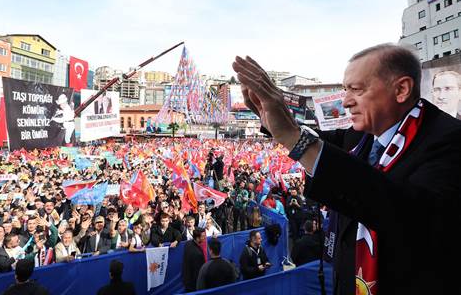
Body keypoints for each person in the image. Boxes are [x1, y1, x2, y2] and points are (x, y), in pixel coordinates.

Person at [232, 44, 461, 294]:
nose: (346, 101)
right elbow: (321, 144)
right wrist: (272, 120)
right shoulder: (360, 136)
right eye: (345, 89)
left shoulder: (449, 140)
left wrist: (293, 137)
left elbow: (402, 209)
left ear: (401, 89)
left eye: (357, 89)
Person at [181, 227, 206, 292]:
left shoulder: (188, 244)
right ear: (197, 238)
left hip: (187, 280)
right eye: (203, 236)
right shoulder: (198, 254)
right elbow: (198, 272)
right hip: (194, 284)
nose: (205, 238)